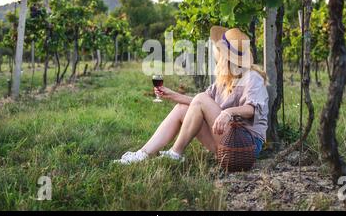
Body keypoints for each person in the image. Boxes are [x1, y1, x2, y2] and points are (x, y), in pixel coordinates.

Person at [114, 26, 269, 164]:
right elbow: (198, 104)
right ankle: (143, 154)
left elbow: (252, 109)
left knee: (201, 98)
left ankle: (175, 154)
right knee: (182, 108)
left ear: (223, 55)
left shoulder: (251, 77)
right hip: (227, 140)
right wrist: (173, 95)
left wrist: (228, 112)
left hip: (247, 145)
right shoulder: (224, 80)